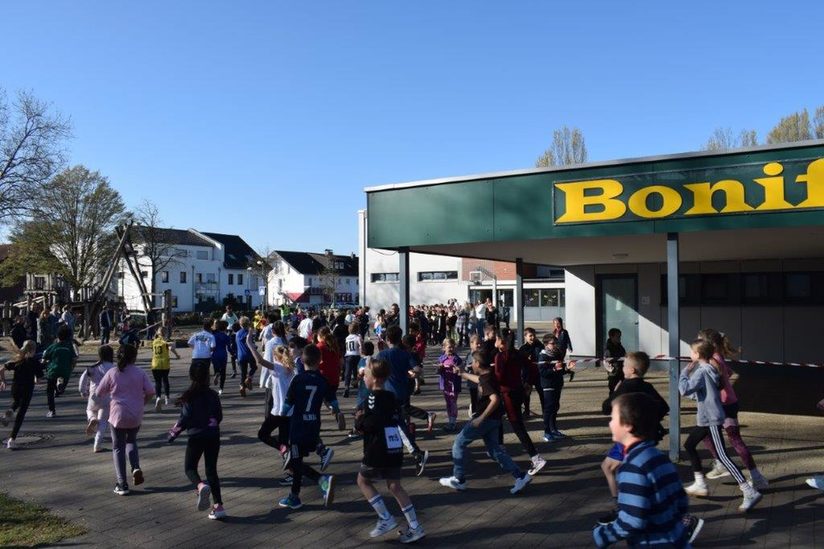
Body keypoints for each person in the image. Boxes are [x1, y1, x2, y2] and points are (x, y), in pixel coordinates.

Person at [592, 393, 689, 548]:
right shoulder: (660, 457)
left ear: (628, 425)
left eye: (613, 418)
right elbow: (682, 502)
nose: (610, 423)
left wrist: (603, 534)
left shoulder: (632, 466)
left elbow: (633, 521)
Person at [679, 339, 762, 512]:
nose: (690, 354)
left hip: (711, 419)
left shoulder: (701, 371)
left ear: (698, 355)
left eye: (692, 351)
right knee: (689, 445)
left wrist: (684, 373)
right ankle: (700, 483)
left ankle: (748, 490)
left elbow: (684, 389)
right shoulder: (710, 369)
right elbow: (704, 392)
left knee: (723, 457)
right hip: (705, 419)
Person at [438, 350, 533, 495]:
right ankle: (520, 476)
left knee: (458, 444)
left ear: (477, 364)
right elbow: (479, 380)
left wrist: (480, 418)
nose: (471, 364)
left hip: (485, 419)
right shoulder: (490, 375)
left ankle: (459, 479)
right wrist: (463, 374)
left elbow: (495, 399)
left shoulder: (487, 380)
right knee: (495, 451)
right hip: (495, 419)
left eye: (472, 362)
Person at [355, 358, 425, 544]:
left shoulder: (371, 398)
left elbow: (370, 423)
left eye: (366, 374)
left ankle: (385, 517)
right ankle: (415, 526)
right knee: (395, 485)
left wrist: (359, 421)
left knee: (363, 480)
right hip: (394, 446)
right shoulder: (391, 397)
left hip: (377, 447)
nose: (363, 378)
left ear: (374, 378)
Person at [597, 352, 670, 525]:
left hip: (629, 438)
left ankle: (623, 508)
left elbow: (606, 407)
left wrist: (615, 392)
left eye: (624, 366)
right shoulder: (647, 386)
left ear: (631, 370)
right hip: (646, 435)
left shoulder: (626, 386)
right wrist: (648, 421)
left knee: (612, 468)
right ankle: (628, 506)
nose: (622, 368)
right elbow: (663, 407)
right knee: (614, 467)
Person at [697, 329, 768, 490]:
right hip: (729, 402)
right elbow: (728, 372)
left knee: (708, 435)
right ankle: (754, 476)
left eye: (699, 341)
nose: (696, 344)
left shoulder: (711, 360)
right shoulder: (718, 356)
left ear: (708, 344)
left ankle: (724, 464)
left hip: (722, 405)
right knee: (728, 439)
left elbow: (715, 381)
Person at [277, 344, 338, 510]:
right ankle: (294, 496)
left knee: (295, 462)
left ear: (302, 361)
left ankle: (320, 481)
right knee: (297, 461)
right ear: (320, 361)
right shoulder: (323, 380)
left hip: (298, 426)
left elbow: (288, 403)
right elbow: (333, 402)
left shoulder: (298, 379)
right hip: (314, 424)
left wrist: (281, 417)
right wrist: (336, 411)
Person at [93, 344, 155, 496]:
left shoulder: (112, 372)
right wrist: (142, 403)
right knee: (131, 441)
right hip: (135, 414)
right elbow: (151, 392)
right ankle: (135, 467)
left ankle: (122, 483)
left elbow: (99, 392)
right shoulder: (140, 372)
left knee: (118, 447)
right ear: (135, 357)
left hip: (118, 415)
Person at [167, 364, 227, 520]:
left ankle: (200, 486)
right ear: (207, 377)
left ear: (191, 376)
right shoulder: (213, 395)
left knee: (190, 468)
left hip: (196, 436)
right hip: (213, 435)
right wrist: (213, 422)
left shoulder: (189, 396)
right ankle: (219, 506)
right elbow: (219, 416)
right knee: (211, 470)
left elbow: (184, 418)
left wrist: (173, 433)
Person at [375, 326, 429, 476]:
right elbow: (418, 369)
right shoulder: (405, 354)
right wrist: (412, 374)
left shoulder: (383, 354)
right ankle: (403, 454)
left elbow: (373, 370)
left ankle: (415, 453)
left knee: (393, 425)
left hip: (387, 394)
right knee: (394, 424)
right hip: (401, 393)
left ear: (387, 339)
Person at [494, 329, 547, 475]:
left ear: (501, 341)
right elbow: (530, 366)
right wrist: (527, 383)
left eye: (496, 339)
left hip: (508, 394)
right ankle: (499, 447)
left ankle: (535, 457)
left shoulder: (501, 356)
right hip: (518, 392)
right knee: (497, 418)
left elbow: (499, 377)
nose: (494, 342)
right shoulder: (517, 353)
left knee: (517, 427)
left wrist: (487, 379)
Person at [0, 341, 43, 449]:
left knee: (16, 402)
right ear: (33, 350)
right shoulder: (35, 362)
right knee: (21, 414)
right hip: (27, 389)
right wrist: (35, 379)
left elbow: (1, 369)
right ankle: (11, 439)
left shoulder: (18, 360)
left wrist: (3, 381)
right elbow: (38, 379)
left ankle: (8, 413)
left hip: (15, 388)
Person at [80, 345, 116, 453]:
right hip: (108, 397)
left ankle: (91, 418)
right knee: (103, 421)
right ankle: (97, 445)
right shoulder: (114, 368)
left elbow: (83, 379)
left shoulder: (93, 367)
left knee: (89, 410)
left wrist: (83, 391)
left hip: (94, 395)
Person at [537, 334, 568, 441]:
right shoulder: (543, 356)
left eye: (556, 343)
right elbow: (542, 372)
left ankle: (553, 429)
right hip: (548, 385)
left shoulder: (557, 354)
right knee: (548, 408)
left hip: (557, 384)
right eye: (553, 343)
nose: (555, 345)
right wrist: (554, 369)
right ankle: (546, 432)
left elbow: (561, 370)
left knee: (555, 407)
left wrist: (567, 369)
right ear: (546, 344)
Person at [42, 324, 78, 418]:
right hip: (65, 371)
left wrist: (45, 364)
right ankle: (59, 385)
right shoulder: (69, 347)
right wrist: (71, 368)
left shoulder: (53, 346)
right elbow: (74, 359)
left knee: (49, 391)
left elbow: (44, 358)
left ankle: (52, 410)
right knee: (60, 390)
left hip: (53, 370)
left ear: (58, 335)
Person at [436, 338, 462, 432]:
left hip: (454, 384)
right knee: (448, 403)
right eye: (449, 347)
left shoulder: (457, 359)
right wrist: (440, 368)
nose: (451, 349)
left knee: (453, 402)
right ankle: (450, 420)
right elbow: (438, 372)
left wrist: (456, 369)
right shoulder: (441, 359)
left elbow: (461, 370)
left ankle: (453, 422)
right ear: (444, 348)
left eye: (453, 347)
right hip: (445, 384)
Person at [152, 330, 180, 411]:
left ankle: (158, 397)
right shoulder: (165, 342)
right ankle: (167, 397)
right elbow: (171, 347)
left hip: (155, 364)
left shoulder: (154, 341)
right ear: (165, 333)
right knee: (165, 380)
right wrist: (177, 355)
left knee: (157, 382)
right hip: (164, 364)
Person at [236, 316, 256, 396]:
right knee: (254, 367)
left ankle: (242, 386)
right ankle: (249, 378)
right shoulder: (249, 333)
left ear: (240, 324)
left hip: (240, 355)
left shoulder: (237, 333)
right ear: (248, 323)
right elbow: (251, 343)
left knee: (243, 372)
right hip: (249, 354)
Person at [211, 320, 231, 396]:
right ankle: (221, 389)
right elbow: (229, 347)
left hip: (215, 354)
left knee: (216, 368)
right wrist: (233, 354)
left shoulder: (214, 336)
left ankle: (216, 374)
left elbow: (211, 346)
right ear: (225, 328)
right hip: (223, 354)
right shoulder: (226, 336)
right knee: (223, 372)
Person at [343, 321, 363, 398]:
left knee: (348, 372)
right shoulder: (358, 337)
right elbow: (361, 346)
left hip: (348, 355)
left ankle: (346, 386)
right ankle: (355, 383)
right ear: (357, 330)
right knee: (355, 369)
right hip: (356, 355)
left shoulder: (347, 338)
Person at [603, 328, 626, 395]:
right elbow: (606, 360)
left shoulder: (620, 346)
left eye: (620, 336)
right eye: (618, 336)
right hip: (614, 373)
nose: (619, 338)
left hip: (622, 372)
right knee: (613, 392)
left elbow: (624, 355)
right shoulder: (608, 348)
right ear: (611, 337)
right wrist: (611, 369)